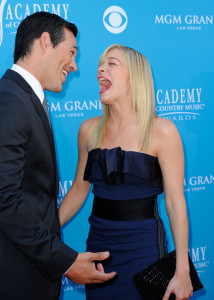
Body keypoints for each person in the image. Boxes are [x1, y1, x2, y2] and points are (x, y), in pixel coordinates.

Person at [59, 44, 193, 300]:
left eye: (111, 63)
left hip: (143, 250)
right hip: (98, 253)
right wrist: (42, 236)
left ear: (135, 76)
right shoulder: (88, 129)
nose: (101, 68)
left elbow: (176, 203)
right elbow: (78, 190)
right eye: (100, 63)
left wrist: (182, 271)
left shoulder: (162, 131)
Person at [0, 12, 116, 300]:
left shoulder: (24, 98)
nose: (75, 66)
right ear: (44, 42)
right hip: (16, 277)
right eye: (71, 53)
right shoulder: (11, 101)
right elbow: (5, 198)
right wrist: (64, 260)